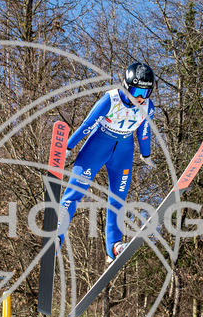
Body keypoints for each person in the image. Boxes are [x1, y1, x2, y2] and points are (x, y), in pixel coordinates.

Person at [58, 62, 156, 263]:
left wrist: (146, 154)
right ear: (126, 86)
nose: (140, 97)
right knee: (76, 191)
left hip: (124, 152)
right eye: (136, 91)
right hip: (97, 146)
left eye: (145, 93)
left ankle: (114, 246)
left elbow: (144, 132)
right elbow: (87, 125)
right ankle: (57, 234)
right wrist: (68, 146)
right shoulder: (110, 99)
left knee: (118, 198)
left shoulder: (148, 107)